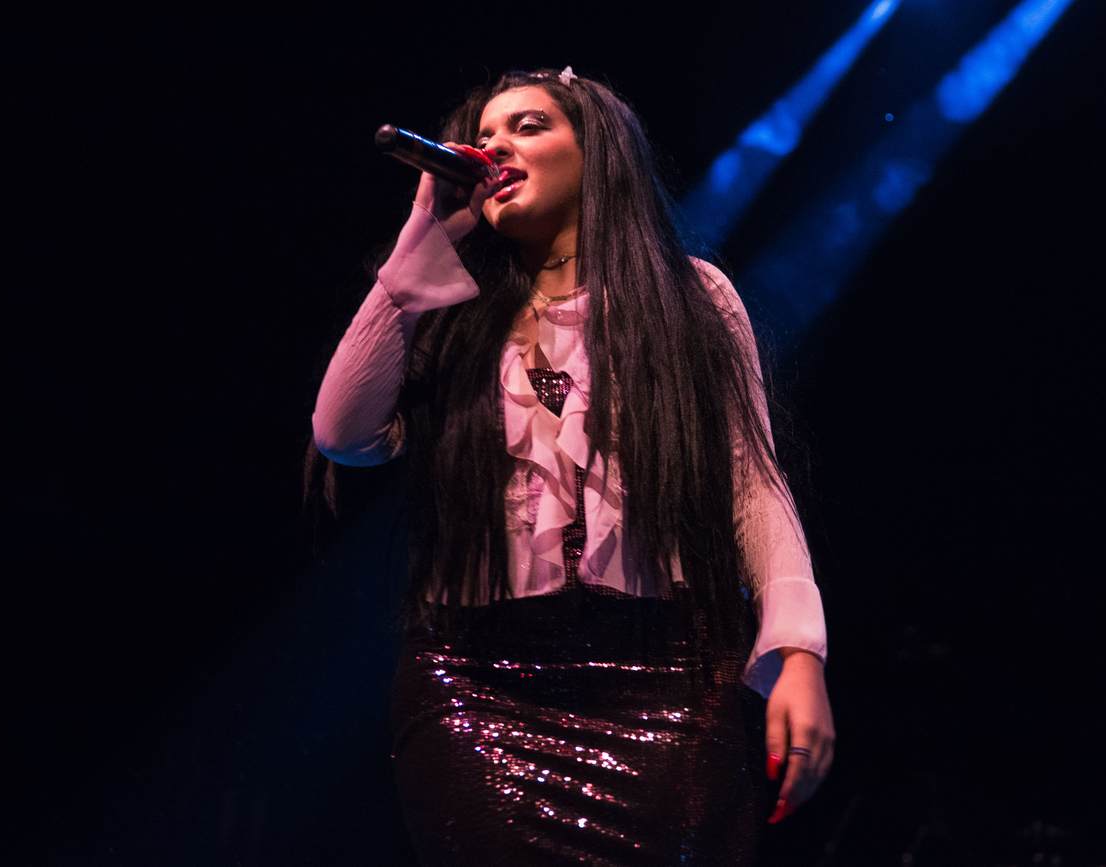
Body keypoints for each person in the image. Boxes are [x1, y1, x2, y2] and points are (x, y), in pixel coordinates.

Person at [311, 68, 833, 866]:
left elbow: (751, 484)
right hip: (477, 687)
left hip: (670, 682)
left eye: (527, 127)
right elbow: (342, 432)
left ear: (598, 152)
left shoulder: (692, 298)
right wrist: (419, 250)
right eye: (482, 137)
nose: (494, 148)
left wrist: (798, 650)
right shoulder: (449, 310)